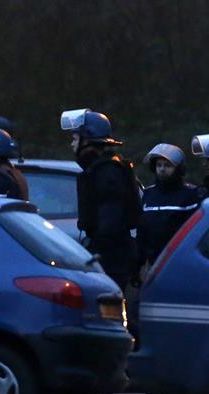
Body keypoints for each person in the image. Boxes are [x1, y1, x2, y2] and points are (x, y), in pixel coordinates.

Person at [60, 108, 141, 290]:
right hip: (112, 257)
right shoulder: (102, 168)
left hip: (113, 261)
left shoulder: (107, 172)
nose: (72, 145)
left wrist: (96, 252)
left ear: (87, 140)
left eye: (75, 139)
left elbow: (110, 220)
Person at [136, 144, 199, 272]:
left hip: (182, 263)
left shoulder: (191, 194)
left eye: (168, 165)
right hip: (154, 264)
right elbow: (142, 232)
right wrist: (138, 265)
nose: (162, 169)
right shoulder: (148, 195)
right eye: (159, 165)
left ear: (178, 169)